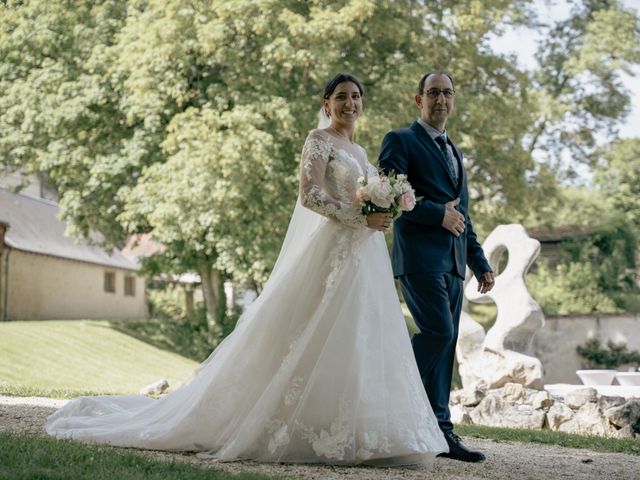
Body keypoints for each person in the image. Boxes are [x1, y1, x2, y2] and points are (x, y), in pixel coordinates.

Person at [46, 73, 448, 465]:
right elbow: (309, 196)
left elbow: (365, 201)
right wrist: (360, 219)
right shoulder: (318, 141)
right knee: (313, 332)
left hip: (365, 256)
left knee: (363, 334)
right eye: (341, 96)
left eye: (356, 96)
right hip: (333, 251)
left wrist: (384, 211)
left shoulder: (361, 153)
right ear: (327, 104)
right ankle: (300, 426)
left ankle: (364, 431)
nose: (350, 103)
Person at [379, 71, 495, 463]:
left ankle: (441, 432)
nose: (441, 99)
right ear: (419, 99)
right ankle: (392, 388)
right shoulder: (401, 140)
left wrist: (480, 263)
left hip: (454, 265)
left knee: (445, 349)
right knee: (439, 333)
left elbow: (463, 214)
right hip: (419, 259)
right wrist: (435, 215)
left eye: (447, 93)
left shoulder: (456, 151)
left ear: (454, 98)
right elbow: (390, 195)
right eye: (433, 93)